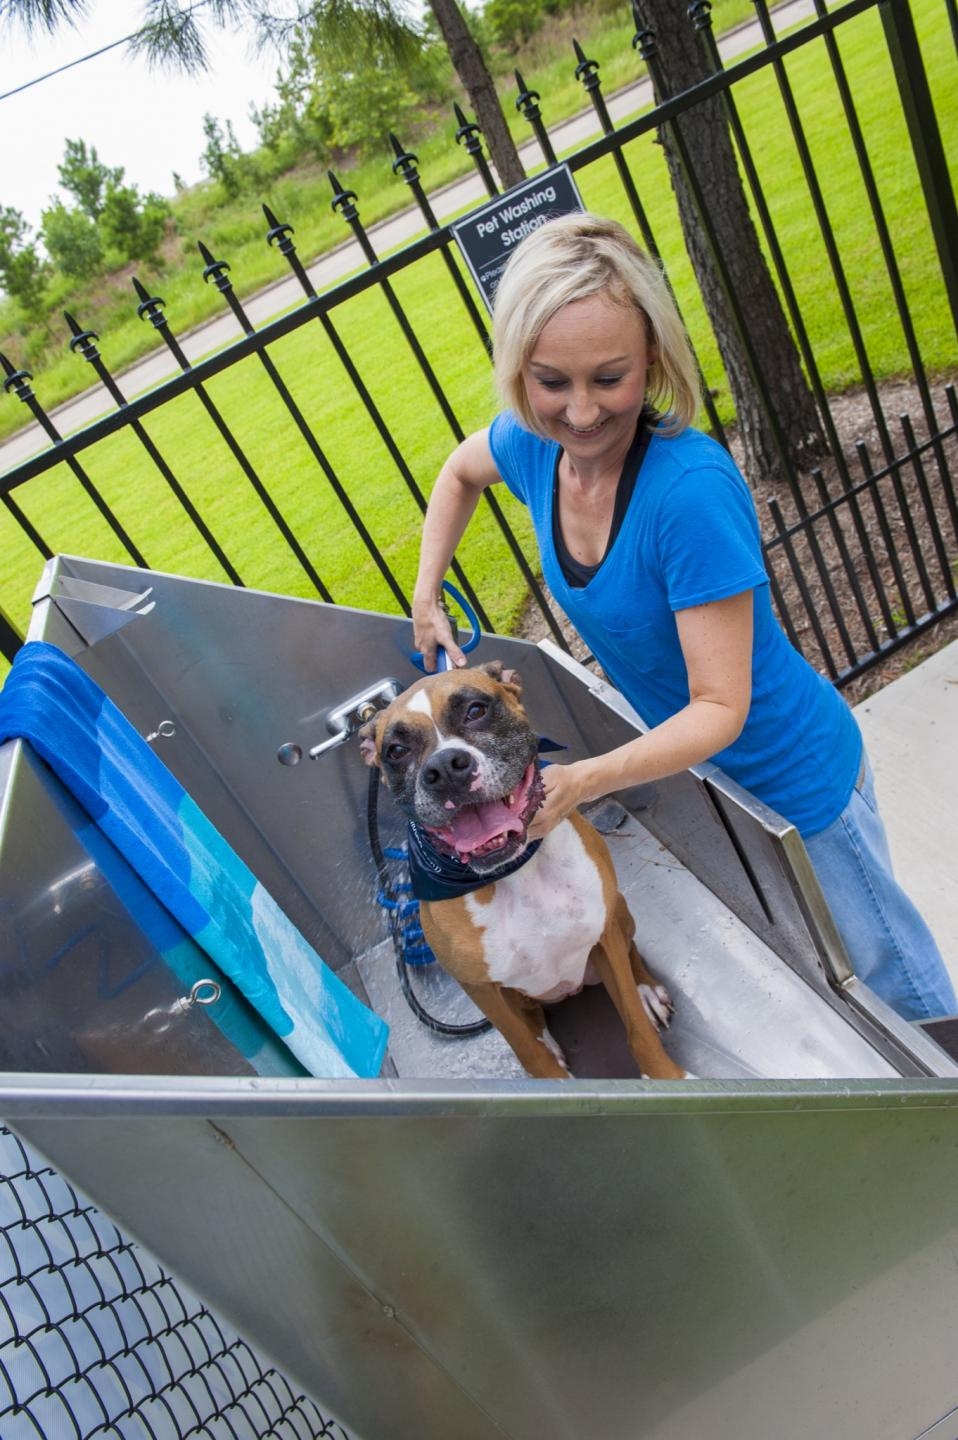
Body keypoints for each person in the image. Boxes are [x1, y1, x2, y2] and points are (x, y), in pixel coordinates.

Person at [412, 211, 956, 1024]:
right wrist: (427, 595)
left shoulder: (688, 494)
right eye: (552, 380)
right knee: (836, 985)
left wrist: (584, 780)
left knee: (903, 992)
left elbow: (720, 707)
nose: (584, 411)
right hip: (720, 785)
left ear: (655, 361)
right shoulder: (533, 449)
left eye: (610, 377)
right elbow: (459, 472)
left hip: (798, 783)